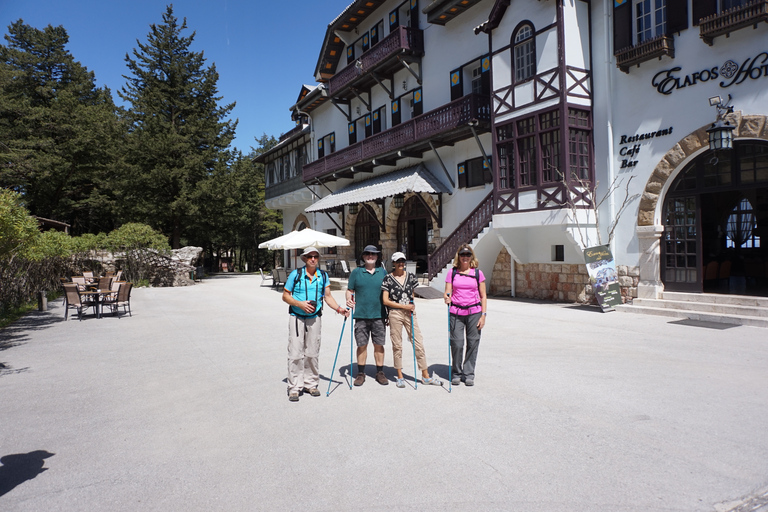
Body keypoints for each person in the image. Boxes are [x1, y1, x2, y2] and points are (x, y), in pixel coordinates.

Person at [282, 246, 349, 402]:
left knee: (312, 352)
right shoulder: (296, 274)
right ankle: (295, 387)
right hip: (297, 317)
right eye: (310, 256)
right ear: (305, 258)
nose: (313, 259)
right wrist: (300, 304)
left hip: (315, 318)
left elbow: (328, 297)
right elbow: (285, 296)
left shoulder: (323, 276)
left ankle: (310, 383)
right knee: (295, 352)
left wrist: (339, 309)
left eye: (316, 256)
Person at [382, 252, 441, 388]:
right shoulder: (388, 279)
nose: (401, 264)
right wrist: (403, 306)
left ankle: (425, 376)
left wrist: (411, 304)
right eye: (398, 262)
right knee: (397, 345)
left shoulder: (411, 277)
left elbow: (412, 294)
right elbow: (385, 300)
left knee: (418, 342)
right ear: (394, 263)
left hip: (409, 313)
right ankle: (400, 376)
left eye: (403, 261)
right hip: (395, 313)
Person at [443, 244, 487, 386]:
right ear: (459, 256)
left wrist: (483, 315)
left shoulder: (477, 273)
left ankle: (468, 373)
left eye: (468, 255)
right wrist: (447, 297)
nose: (465, 257)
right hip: (456, 312)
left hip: (474, 312)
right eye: (462, 255)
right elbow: (447, 291)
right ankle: (456, 372)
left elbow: (483, 296)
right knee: (457, 343)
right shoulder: (452, 272)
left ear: (471, 257)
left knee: (473, 342)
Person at [346, 245, 389, 386]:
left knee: (379, 345)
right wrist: (348, 299)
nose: (371, 256)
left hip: (379, 315)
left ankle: (380, 372)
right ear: (363, 257)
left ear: (377, 257)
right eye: (368, 254)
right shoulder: (356, 272)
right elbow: (350, 290)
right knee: (362, 345)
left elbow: (389, 292)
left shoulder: (383, 272)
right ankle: (360, 373)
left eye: (374, 254)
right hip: (361, 315)